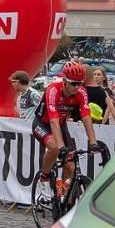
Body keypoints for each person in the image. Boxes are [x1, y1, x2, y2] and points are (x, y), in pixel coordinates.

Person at [33, 62, 100, 205]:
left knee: (70, 166)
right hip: (43, 124)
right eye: (73, 83)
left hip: (61, 125)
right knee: (55, 147)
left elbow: (87, 118)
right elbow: (53, 121)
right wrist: (62, 147)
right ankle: (44, 177)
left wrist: (93, 142)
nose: (77, 87)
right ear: (64, 81)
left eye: (79, 83)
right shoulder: (53, 90)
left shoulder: (81, 92)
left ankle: (67, 204)